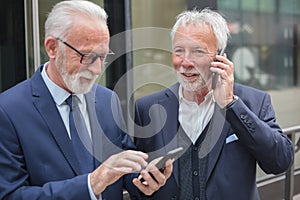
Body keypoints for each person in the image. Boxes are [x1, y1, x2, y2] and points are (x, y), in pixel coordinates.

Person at [0, 1, 173, 199]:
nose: (97, 69)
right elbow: (10, 195)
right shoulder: (8, 111)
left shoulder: (107, 99)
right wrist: (91, 184)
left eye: (102, 56)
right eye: (87, 56)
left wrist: (143, 179)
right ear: (52, 48)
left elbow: (122, 167)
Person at [134, 8, 294, 200]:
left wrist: (230, 105)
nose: (185, 62)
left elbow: (280, 161)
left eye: (197, 51)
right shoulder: (147, 107)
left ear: (219, 57)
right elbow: (137, 178)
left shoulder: (253, 102)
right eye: (179, 51)